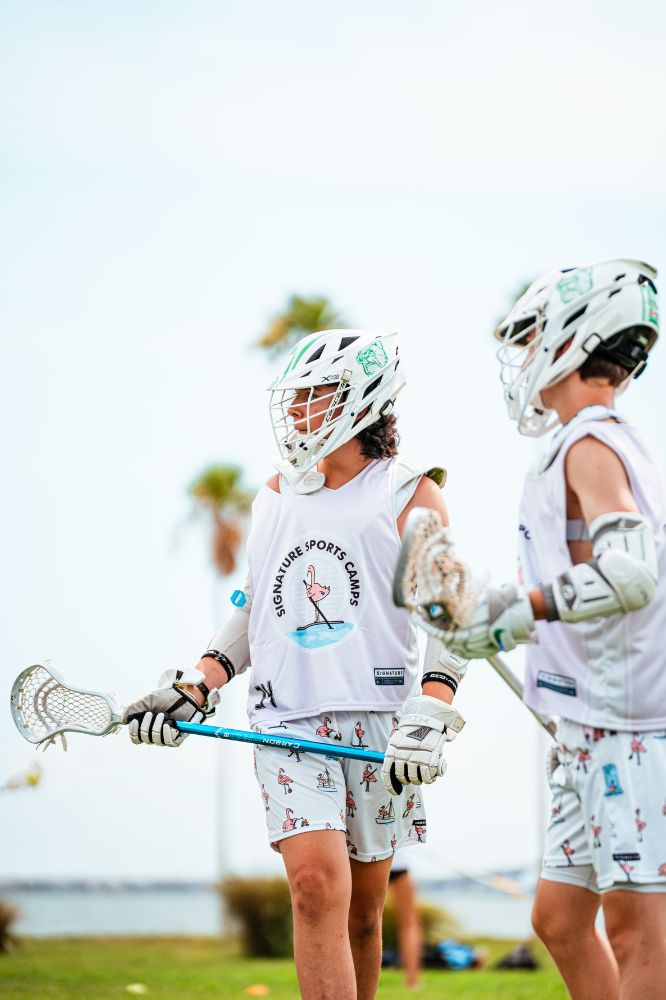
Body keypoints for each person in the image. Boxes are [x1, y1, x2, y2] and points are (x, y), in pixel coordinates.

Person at [123, 329, 466, 1000]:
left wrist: (434, 708)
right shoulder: (274, 496)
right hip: (286, 722)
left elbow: (452, 617)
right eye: (298, 397)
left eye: (315, 396)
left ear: (361, 401)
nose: (299, 411)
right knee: (315, 889)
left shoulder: (410, 493)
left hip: (383, 727)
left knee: (366, 915)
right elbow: (255, 612)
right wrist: (197, 685)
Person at [409, 259, 665, 1000]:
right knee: (558, 919)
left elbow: (631, 574)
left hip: (628, 732)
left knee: (638, 931)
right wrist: (489, 620)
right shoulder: (590, 440)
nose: (522, 360)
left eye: (530, 341)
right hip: (586, 726)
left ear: (573, 340)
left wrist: (515, 610)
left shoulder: (592, 444)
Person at [387, 852, 423, 990]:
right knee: (409, 924)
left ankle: (413, 981)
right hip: (395, 862)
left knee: (409, 924)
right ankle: (413, 982)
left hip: (384, 860)